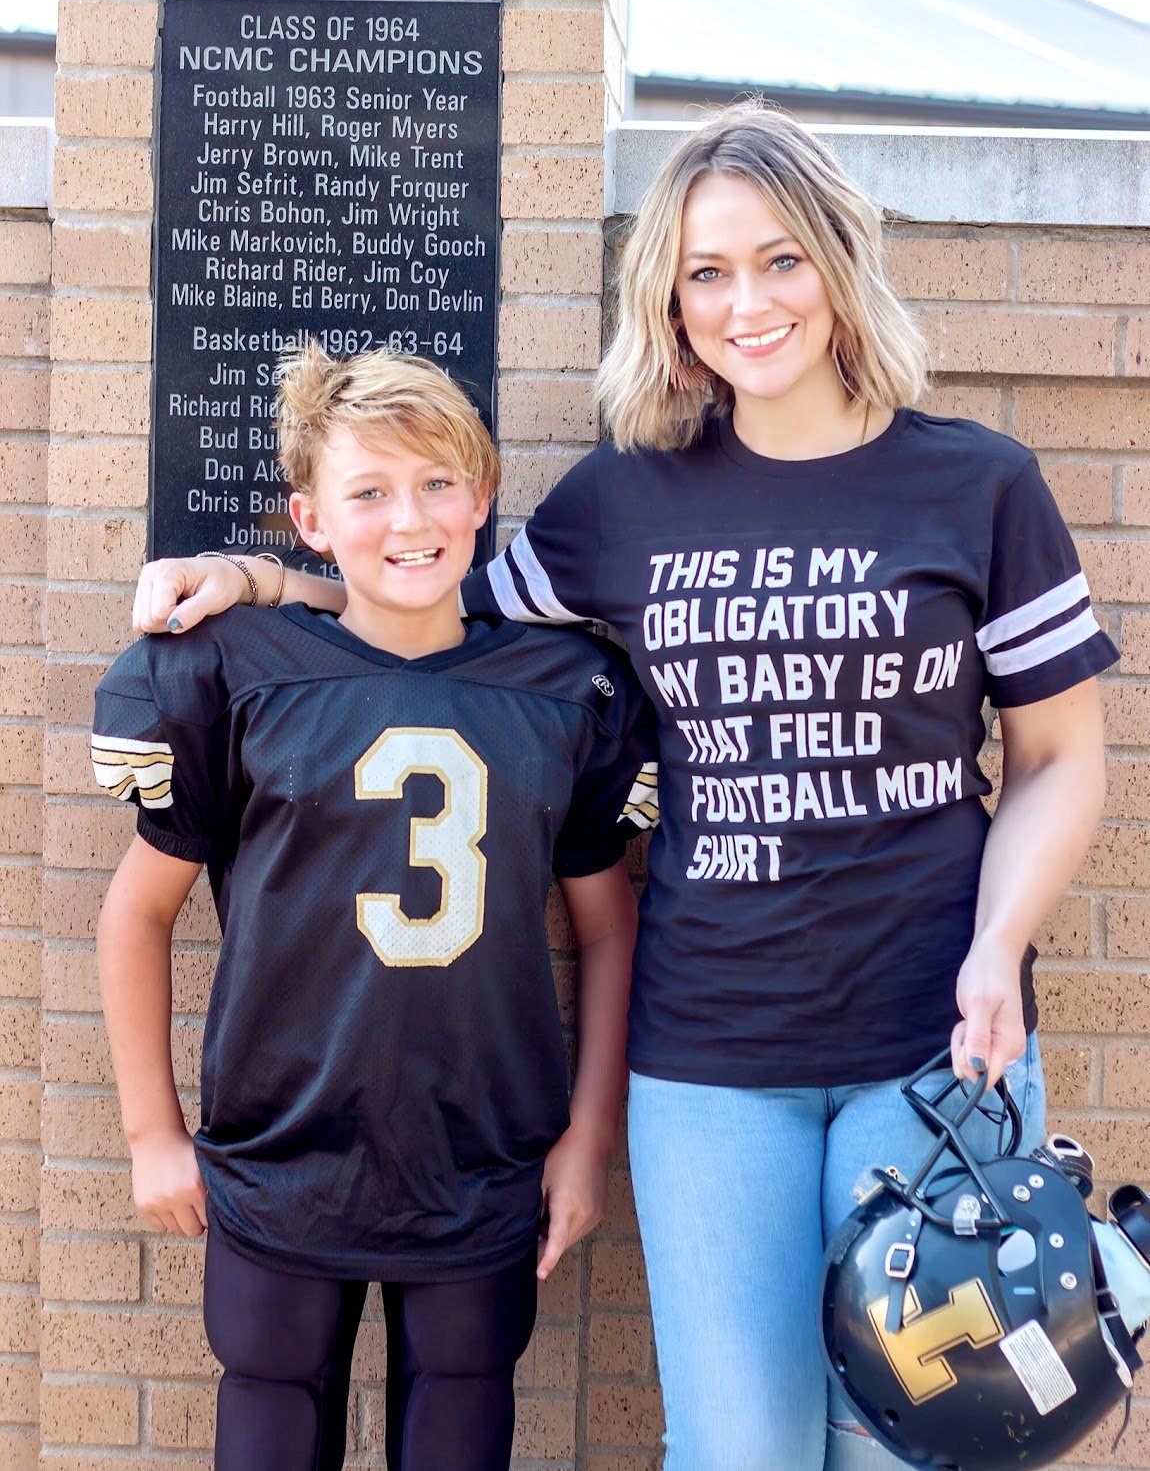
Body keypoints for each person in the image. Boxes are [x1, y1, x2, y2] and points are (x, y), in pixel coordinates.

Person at [132, 104, 1116, 1471]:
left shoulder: (977, 484)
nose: (744, 302)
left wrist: (999, 945)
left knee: (909, 1447)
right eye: (704, 272)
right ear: (666, 297)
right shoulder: (626, 500)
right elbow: (426, 602)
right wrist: (249, 579)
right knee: (742, 1449)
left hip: (933, 1045)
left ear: (836, 262)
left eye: (777, 261)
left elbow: (1060, 758)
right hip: (711, 1055)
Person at [95, 343, 657, 1471]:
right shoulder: (244, 672)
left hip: (481, 1149)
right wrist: (154, 1132)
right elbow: (135, 914)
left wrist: (589, 1136)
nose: (411, 517)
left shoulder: (562, 691)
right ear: (311, 519)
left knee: (458, 1422)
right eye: (371, 492)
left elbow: (607, 930)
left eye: (439, 483)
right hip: (280, 1144)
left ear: (484, 493)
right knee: (268, 1415)